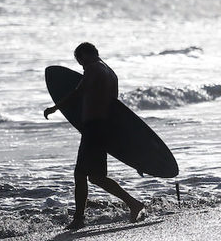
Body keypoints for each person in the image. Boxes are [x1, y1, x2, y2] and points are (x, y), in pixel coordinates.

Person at [44, 42, 147, 230]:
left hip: (93, 128)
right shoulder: (110, 73)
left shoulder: (93, 69)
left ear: (87, 55)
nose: (81, 66)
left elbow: (77, 93)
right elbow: (115, 109)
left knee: (81, 174)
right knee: (96, 177)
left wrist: (55, 107)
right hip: (103, 127)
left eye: (80, 61)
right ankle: (133, 204)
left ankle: (78, 219)